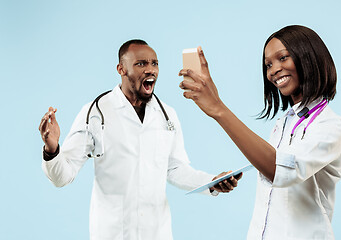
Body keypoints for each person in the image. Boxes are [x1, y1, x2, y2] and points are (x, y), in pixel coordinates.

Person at [39, 39, 239, 240]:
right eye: (141, 64)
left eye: (155, 63)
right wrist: (52, 148)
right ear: (121, 69)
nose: (150, 69)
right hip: (112, 233)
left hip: (157, 233)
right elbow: (62, 177)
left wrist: (211, 182)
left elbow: (175, 169)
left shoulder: (167, 115)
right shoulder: (95, 113)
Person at [179, 25, 341, 240]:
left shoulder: (330, 125)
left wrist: (218, 109)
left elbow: (281, 170)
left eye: (283, 58)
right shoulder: (282, 124)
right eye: (268, 64)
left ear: (309, 57)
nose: (273, 70)